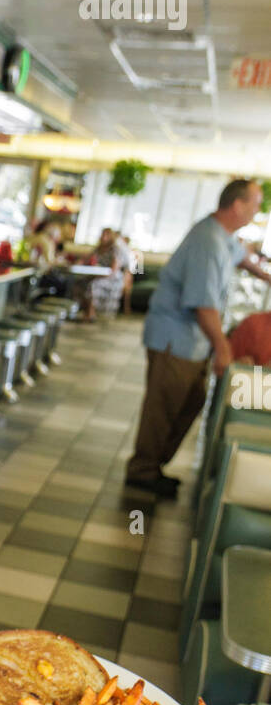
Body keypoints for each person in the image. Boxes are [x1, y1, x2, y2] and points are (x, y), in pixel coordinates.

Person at [125, 179, 271, 496]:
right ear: (238, 205)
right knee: (164, 406)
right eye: (256, 204)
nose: (258, 210)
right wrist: (223, 348)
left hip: (192, 341)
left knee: (189, 402)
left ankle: (153, 466)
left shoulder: (220, 234)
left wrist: (267, 274)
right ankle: (143, 471)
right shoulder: (208, 242)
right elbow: (204, 305)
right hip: (176, 340)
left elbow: (242, 256)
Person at [81, 227, 130, 321]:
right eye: (102, 234)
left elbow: (113, 270)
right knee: (81, 282)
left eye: (106, 235)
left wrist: (98, 274)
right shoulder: (99, 248)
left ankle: (91, 314)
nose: (103, 237)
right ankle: (85, 312)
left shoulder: (116, 249)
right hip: (98, 274)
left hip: (112, 278)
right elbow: (87, 258)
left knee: (93, 285)